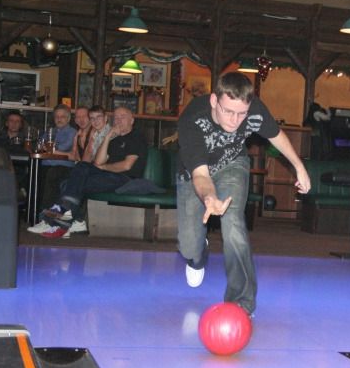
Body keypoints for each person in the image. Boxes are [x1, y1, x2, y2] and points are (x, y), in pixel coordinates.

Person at [177, 71, 311, 316]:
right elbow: (201, 176)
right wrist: (209, 198)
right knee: (189, 246)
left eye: (242, 114)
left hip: (232, 165)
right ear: (214, 101)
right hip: (195, 174)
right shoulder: (192, 121)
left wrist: (299, 167)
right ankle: (198, 255)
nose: (235, 120)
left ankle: (240, 303)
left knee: (233, 223)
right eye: (228, 111)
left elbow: (276, 135)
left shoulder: (255, 110)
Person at [34, 106, 148, 238]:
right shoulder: (114, 138)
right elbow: (98, 162)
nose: (118, 120)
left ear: (132, 120)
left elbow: (126, 166)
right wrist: (108, 137)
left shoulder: (136, 137)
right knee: (79, 169)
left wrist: (104, 167)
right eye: (116, 117)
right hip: (108, 176)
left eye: (123, 117)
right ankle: (75, 221)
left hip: (126, 179)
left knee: (69, 183)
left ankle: (61, 220)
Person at [38, 104, 77, 212]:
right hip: (46, 164)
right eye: (57, 117)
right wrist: (46, 147)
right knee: (34, 173)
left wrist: (48, 148)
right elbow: (40, 145)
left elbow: (64, 147)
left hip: (63, 166)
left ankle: (46, 210)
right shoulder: (50, 131)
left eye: (62, 117)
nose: (59, 119)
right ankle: (35, 208)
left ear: (68, 118)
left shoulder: (72, 132)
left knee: (52, 174)